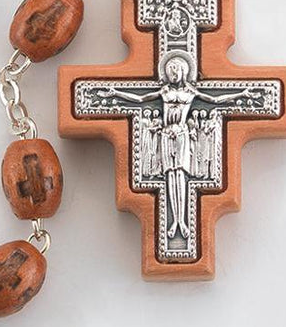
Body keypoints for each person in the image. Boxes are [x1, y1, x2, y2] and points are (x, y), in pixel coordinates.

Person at [98, 56, 261, 239]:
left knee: (181, 176)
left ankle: (180, 220)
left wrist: (241, 94)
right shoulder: (164, 91)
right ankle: (174, 220)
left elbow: (216, 100)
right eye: (170, 70)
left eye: (176, 70)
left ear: (183, 71)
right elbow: (140, 98)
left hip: (182, 135)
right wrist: (116, 93)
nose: (173, 74)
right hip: (167, 135)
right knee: (170, 175)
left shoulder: (191, 92)